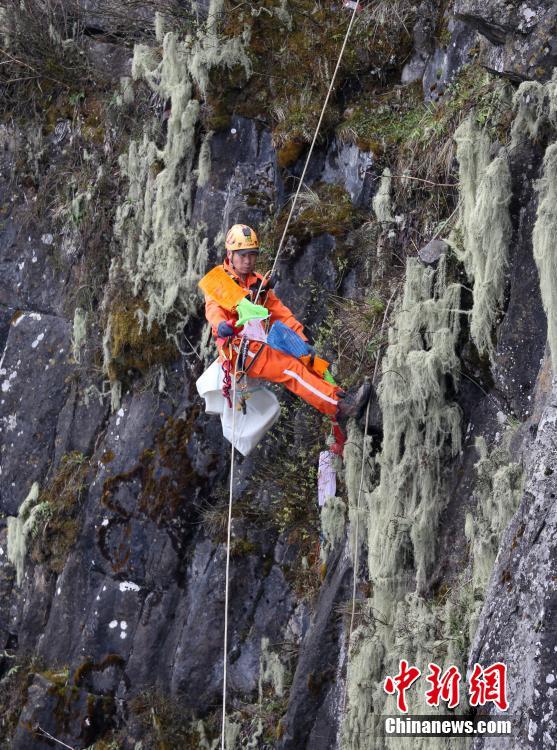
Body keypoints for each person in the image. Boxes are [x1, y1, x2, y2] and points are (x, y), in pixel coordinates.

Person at [203, 224, 371, 430]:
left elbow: (279, 313)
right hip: (240, 350)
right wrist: (221, 325)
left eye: (252, 255)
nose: (248, 261)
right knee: (291, 370)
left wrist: (301, 341)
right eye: (242, 255)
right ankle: (339, 406)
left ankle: (339, 396)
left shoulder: (257, 283)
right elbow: (213, 309)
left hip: (258, 343)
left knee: (307, 362)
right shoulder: (219, 281)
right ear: (230, 254)